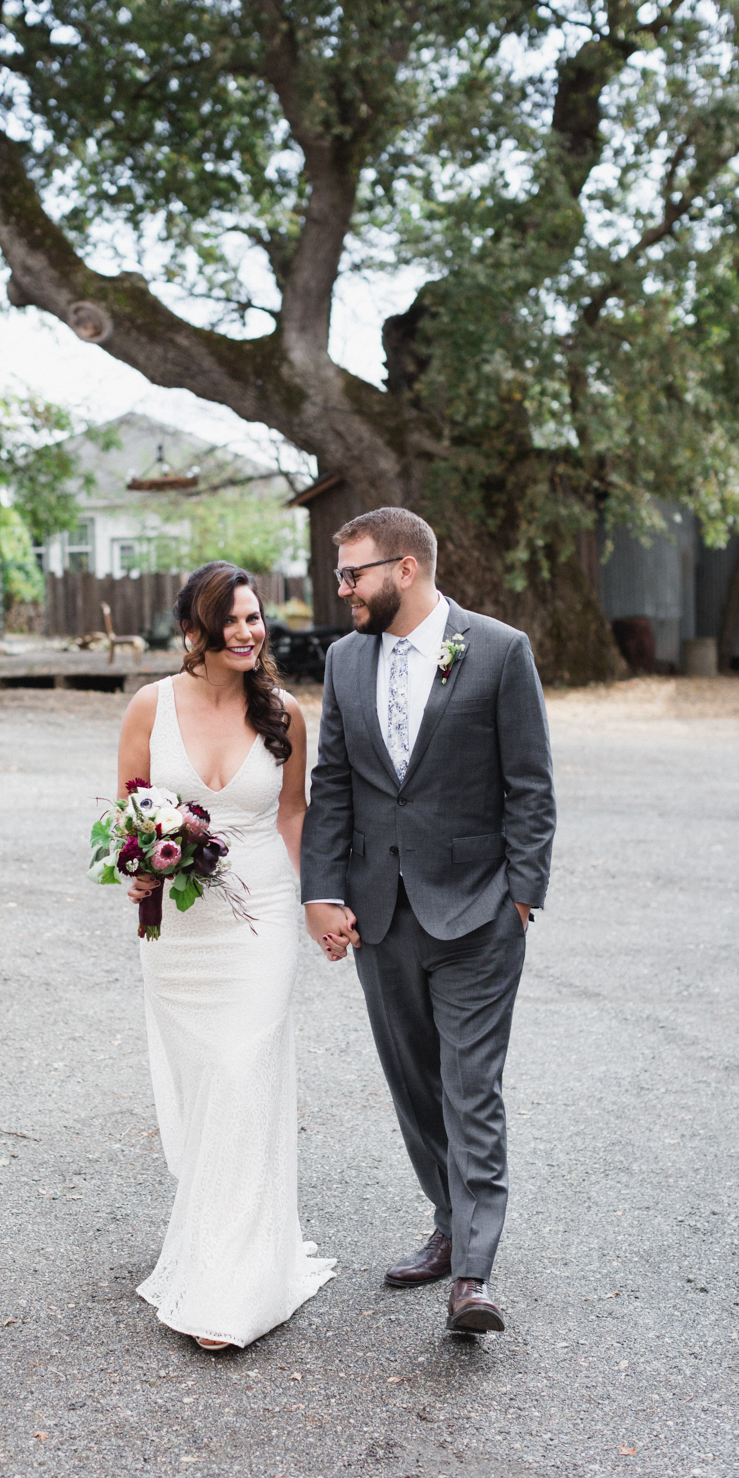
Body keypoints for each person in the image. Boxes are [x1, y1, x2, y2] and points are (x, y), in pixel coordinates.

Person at [300, 508, 555, 1336]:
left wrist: (521, 898)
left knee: (471, 1088)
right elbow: (333, 782)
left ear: (405, 569)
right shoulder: (344, 659)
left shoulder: (500, 650)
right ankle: (449, 1223)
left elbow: (531, 784)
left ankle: (473, 1275)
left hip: (480, 912)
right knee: (415, 1086)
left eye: (354, 574)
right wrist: (321, 891)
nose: (343, 589)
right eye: (341, 574)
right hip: (381, 912)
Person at [116, 561, 336, 1351]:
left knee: (243, 1074)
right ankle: (225, 1235)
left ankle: (230, 1288)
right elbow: (128, 816)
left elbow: (293, 814)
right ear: (193, 632)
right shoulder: (150, 707)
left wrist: (319, 901)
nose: (248, 632)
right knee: (205, 1087)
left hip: (260, 918)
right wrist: (138, 872)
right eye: (231, 621)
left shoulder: (285, 713)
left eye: (254, 618)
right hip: (181, 932)